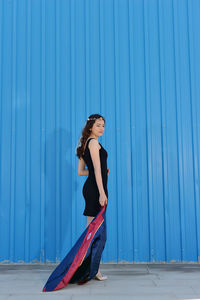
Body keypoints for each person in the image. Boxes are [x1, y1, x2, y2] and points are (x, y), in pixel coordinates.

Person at [76, 113, 110, 281]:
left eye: (103, 125)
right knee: (95, 232)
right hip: (96, 191)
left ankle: (91, 269)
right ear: (90, 127)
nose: (102, 128)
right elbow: (96, 170)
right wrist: (102, 192)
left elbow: (82, 171)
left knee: (92, 231)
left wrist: (104, 171)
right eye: (98, 125)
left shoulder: (84, 144)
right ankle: (90, 270)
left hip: (91, 188)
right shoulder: (94, 143)